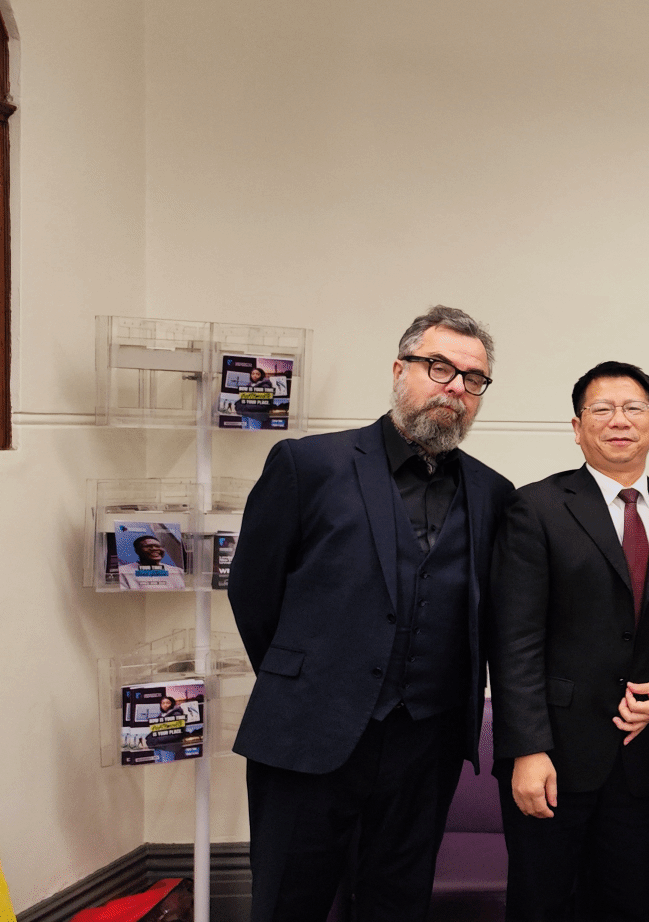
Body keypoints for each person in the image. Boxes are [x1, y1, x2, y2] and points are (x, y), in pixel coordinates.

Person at [229, 306, 516, 922]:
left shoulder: (494, 493)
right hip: (308, 732)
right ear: (399, 370)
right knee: (288, 904)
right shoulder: (307, 465)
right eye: (439, 367)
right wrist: (305, 681)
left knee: (398, 904)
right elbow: (253, 592)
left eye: (473, 379)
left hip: (427, 745)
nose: (455, 388)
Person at [489, 361, 649, 921]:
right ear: (577, 427)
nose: (619, 421)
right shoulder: (536, 507)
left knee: (628, 904)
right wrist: (526, 750)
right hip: (553, 755)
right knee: (542, 905)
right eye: (601, 409)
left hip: (640, 754)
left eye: (634, 408)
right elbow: (514, 640)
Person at [118, 534, 187, 590]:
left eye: (158, 546)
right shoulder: (123, 571)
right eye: (148, 546)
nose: (154, 549)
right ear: (137, 551)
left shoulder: (178, 571)